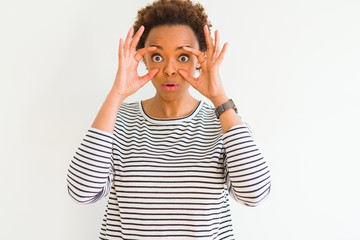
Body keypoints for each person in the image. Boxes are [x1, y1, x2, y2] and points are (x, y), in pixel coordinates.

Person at [66, 0, 271, 239]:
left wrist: (218, 97)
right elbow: (81, 192)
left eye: (183, 57)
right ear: (143, 59)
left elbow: (255, 194)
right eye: (157, 56)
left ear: (200, 59)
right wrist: (117, 94)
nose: (170, 69)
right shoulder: (117, 121)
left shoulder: (225, 124)